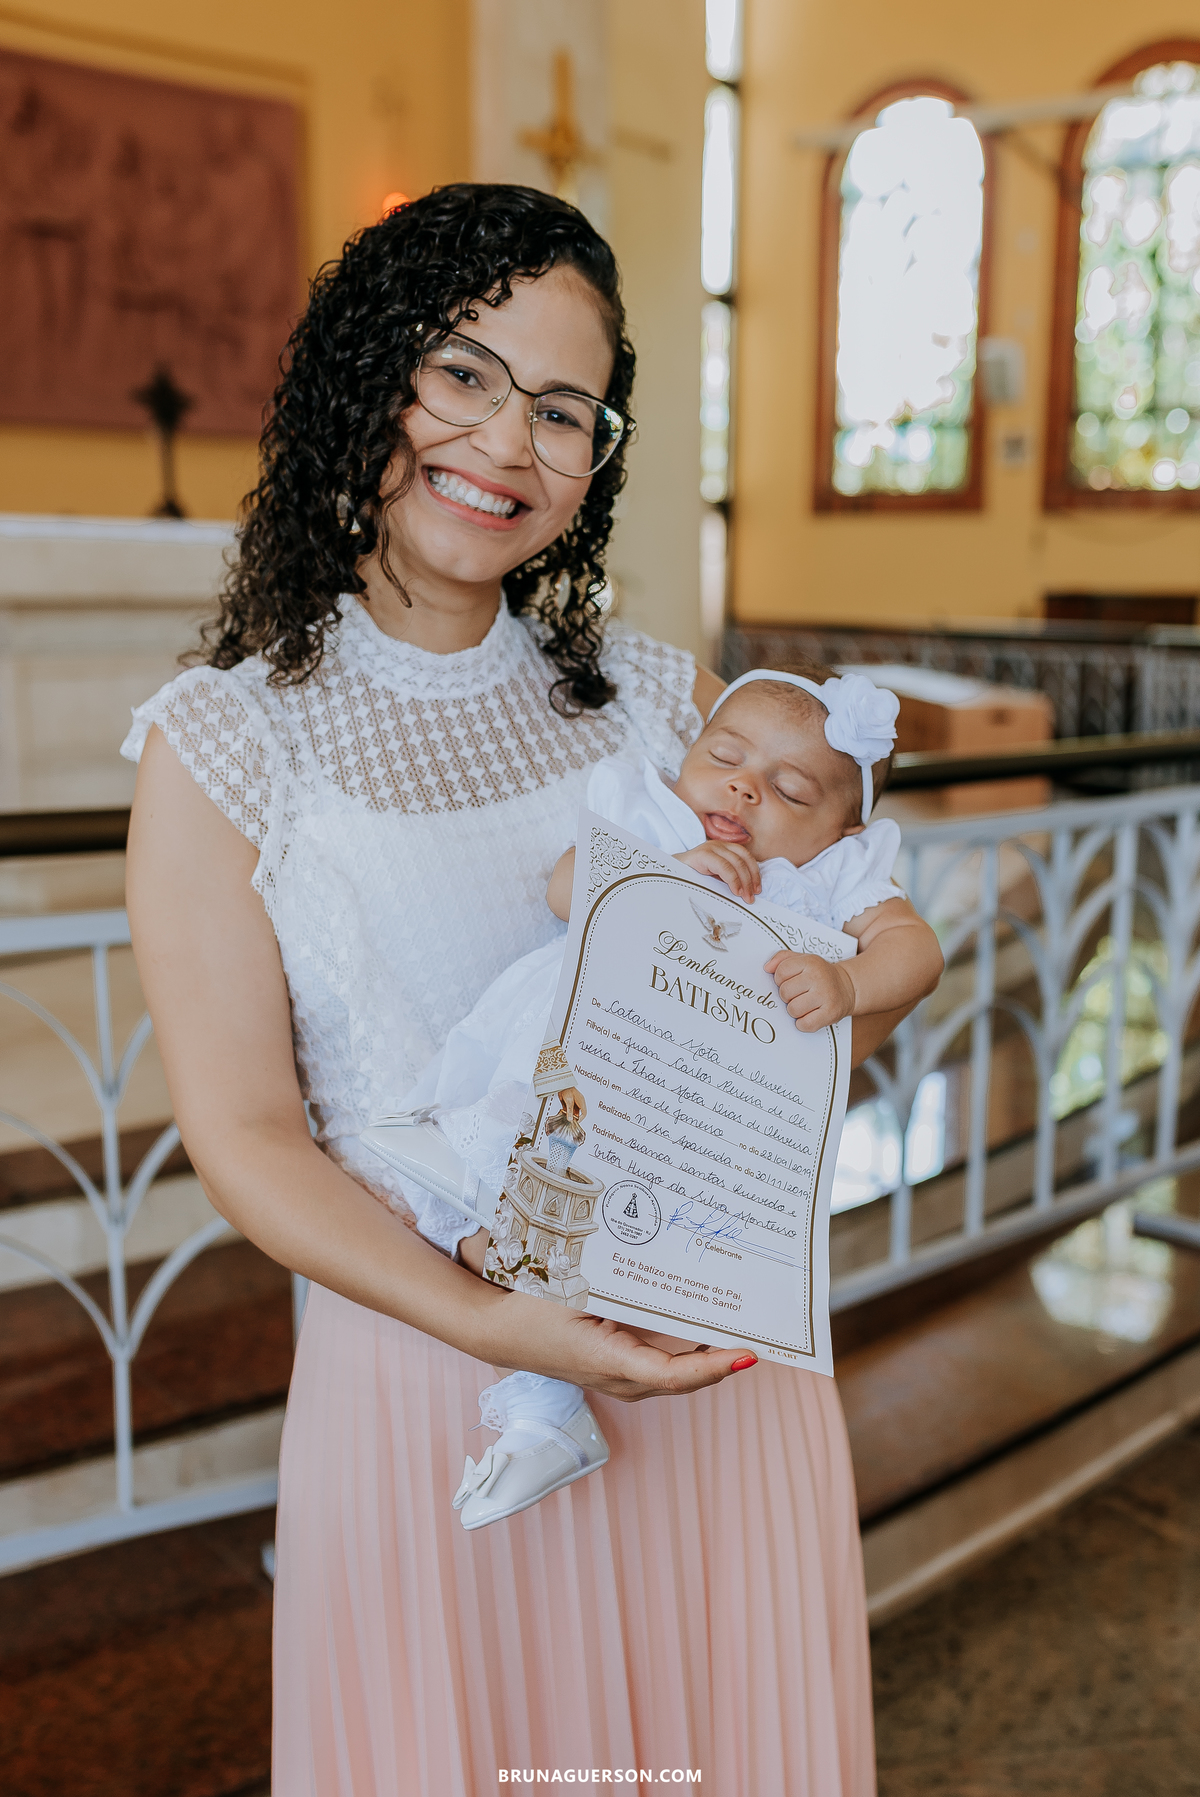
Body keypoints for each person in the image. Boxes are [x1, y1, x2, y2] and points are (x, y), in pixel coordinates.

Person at [124, 183, 897, 1796]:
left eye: (562, 409)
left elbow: (815, 982)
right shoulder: (225, 742)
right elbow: (249, 1136)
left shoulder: (666, 706)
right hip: (438, 1364)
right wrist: (493, 1319)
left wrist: (834, 1008)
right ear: (371, 374)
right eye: (463, 374)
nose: (507, 443)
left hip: (704, 1356)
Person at [366, 666, 944, 1530]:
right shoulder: (653, 816)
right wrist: (657, 874)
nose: (744, 788)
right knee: (488, 1218)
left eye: (790, 789)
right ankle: (543, 1404)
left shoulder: (835, 872)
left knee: (622, 1255)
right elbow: (563, 887)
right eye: (725, 757)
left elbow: (918, 952)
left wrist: (849, 981)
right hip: (586, 1058)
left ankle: (546, 1411)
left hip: (697, 1108)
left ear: (841, 829)